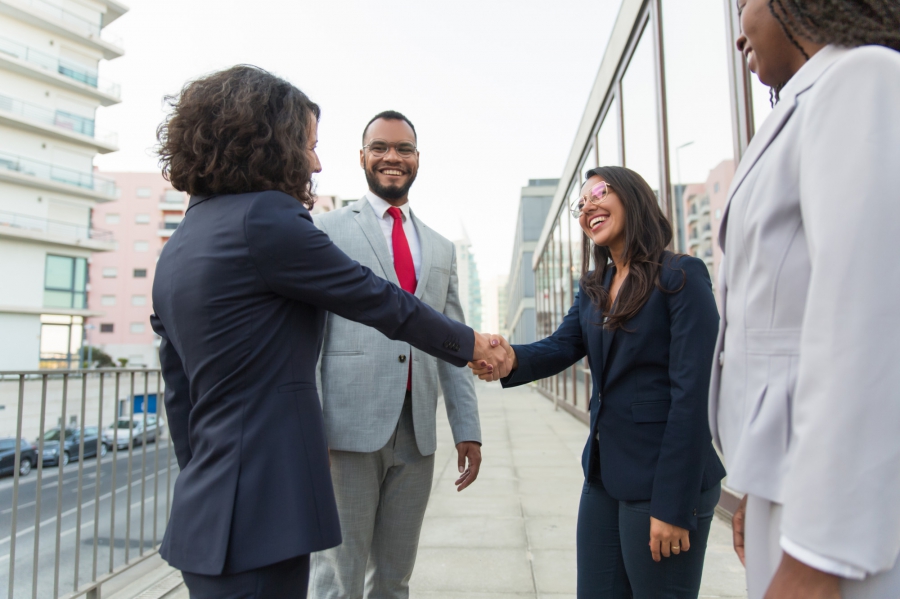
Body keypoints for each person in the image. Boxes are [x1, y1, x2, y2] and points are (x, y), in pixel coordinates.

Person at [149, 66, 508, 599]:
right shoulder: (270, 217)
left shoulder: (181, 241)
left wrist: (211, 483)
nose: (315, 162)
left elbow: (179, 395)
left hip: (206, 513)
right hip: (264, 515)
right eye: (308, 145)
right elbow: (378, 300)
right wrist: (472, 343)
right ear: (268, 142)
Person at [709, 2, 900, 598]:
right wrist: (756, 490)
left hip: (844, 526)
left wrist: (818, 553)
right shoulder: (804, 103)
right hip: (789, 487)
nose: (739, 26)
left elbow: (866, 323)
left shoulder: (864, 79)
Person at [471, 166, 725, 598]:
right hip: (604, 477)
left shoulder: (681, 276)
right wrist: (509, 358)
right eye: (581, 203)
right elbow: (560, 346)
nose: (588, 206)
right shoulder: (596, 286)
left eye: (599, 193)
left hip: (663, 481)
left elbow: (693, 398)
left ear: (632, 196)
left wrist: (673, 504)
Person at [309, 111, 483, 598]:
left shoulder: (442, 248)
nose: (392, 157)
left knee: (393, 578)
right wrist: (311, 425)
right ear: (362, 156)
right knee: (336, 578)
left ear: (417, 159)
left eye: (404, 148)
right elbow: (309, 338)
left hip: (416, 435)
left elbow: (452, 341)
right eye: (381, 147)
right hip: (345, 433)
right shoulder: (324, 230)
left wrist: (467, 427)